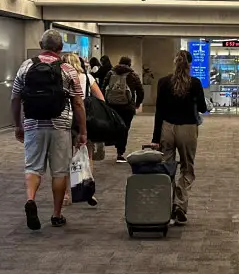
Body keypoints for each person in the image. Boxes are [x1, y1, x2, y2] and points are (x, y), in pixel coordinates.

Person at [11, 29, 87, 230]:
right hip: (60, 125)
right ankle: (56, 214)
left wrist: (18, 125)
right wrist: (83, 131)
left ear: (40, 44)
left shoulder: (26, 67)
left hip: (33, 123)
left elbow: (15, 98)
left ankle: (30, 199)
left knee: (33, 167)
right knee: (59, 171)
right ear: (60, 48)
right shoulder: (67, 69)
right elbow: (78, 103)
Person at [146, 50, 208, 226]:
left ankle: (167, 205)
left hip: (167, 128)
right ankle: (179, 204)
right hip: (188, 128)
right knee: (187, 168)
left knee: (167, 167)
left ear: (175, 63)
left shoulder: (164, 82)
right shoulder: (195, 83)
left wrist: (155, 137)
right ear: (190, 64)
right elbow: (203, 108)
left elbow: (159, 111)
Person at [64, 52, 102, 207]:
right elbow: (101, 98)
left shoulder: (62, 77)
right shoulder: (88, 78)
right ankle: (87, 190)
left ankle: (66, 194)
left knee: (66, 158)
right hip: (84, 120)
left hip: (66, 119)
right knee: (87, 155)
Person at [104, 55, 144, 162]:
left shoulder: (110, 73)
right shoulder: (133, 75)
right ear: (129, 64)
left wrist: (105, 101)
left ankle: (114, 141)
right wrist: (137, 103)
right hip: (127, 107)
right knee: (125, 128)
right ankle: (120, 152)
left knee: (115, 126)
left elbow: (103, 87)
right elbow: (140, 91)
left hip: (112, 106)